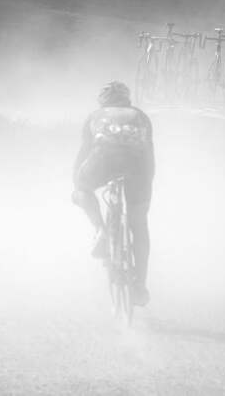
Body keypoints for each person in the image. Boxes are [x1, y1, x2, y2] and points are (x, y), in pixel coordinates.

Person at [72, 81, 155, 306]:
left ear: (102, 101)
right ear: (127, 100)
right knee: (139, 224)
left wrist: (78, 187)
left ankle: (101, 230)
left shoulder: (95, 116)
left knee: (81, 190)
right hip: (137, 168)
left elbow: (83, 153)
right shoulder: (141, 117)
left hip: (103, 161)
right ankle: (139, 286)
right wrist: (145, 195)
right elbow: (149, 155)